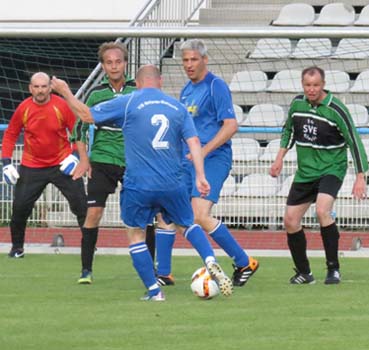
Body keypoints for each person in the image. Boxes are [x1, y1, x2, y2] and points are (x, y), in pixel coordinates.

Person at [51, 64, 233, 301]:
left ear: (136, 83)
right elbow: (194, 142)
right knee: (187, 224)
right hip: (173, 182)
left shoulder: (129, 101)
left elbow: (86, 115)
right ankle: (210, 261)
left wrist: (65, 91)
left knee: (136, 234)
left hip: (139, 184)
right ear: (161, 82)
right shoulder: (177, 107)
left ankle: (154, 291)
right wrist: (200, 176)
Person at [155, 39, 259, 287]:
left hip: (213, 159)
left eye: (193, 59)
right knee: (166, 212)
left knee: (199, 215)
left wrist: (202, 151)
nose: (189, 65)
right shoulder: (186, 91)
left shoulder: (216, 86)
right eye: (185, 60)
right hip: (187, 160)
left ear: (205, 60)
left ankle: (244, 261)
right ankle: (164, 273)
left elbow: (231, 125)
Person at [270, 66, 368, 285]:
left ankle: (333, 269)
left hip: (332, 168)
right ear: (302, 85)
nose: (311, 89)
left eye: (315, 85)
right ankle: (304, 273)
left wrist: (361, 176)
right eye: (307, 85)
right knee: (290, 220)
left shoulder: (336, 109)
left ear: (323, 85)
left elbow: (354, 140)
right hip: (306, 172)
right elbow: (289, 131)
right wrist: (279, 158)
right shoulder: (297, 105)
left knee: (323, 211)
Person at [69, 41, 145, 284]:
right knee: (94, 213)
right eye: (109, 62)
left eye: (118, 61)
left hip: (134, 161)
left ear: (125, 63)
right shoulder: (96, 94)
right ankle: (86, 270)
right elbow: (79, 128)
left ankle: (151, 268)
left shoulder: (138, 90)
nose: (114, 66)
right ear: (103, 66)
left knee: (143, 214)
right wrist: (84, 159)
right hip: (101, 161)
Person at [1, 72, 87, 258]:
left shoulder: (61, 106)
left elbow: (77, 130)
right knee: (20, 208)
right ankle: (17, 249)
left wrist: (74, 156)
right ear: (30, 88)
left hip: (62, 164)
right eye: (36, 87)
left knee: (81, 204)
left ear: (50, 87)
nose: (40, 90)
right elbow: (10, 135)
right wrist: (6, 163)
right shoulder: (23, 108)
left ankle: (89, 247)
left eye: (44, 86)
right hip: (32, 165)